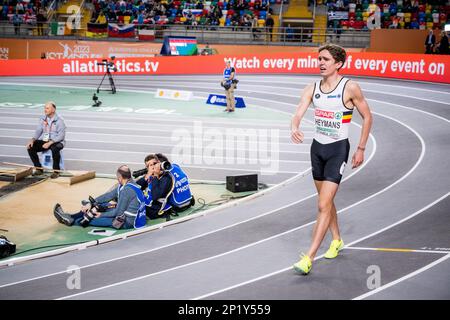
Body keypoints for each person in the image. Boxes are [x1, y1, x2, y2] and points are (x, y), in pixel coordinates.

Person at [290, 44, 373, 275]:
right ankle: (336, 239)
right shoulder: (312, 88)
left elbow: (367, 117)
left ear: (338, 63)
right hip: (317, 150)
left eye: (326, 59)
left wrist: (361, 148)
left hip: (338, 150)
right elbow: (298, 112)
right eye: (319, 59)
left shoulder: (350, 88)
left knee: (322, 205)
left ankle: (309, 258)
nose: (321, 63)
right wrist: (294, 126)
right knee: (326, 202)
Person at [53, 165, 147, 229]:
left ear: (120, 178)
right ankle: (70, 216)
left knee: (88, 219)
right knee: (98, 206)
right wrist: (92, 203)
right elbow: (109, 195)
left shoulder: (127, 190)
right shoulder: (129, 184)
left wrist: (101, 215)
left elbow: (118, 212)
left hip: (127, 222)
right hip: (129, 216)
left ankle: (72, 221)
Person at [26, 101, 66, 179]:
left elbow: (61, 136)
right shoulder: (43, 118)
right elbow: (38, 130)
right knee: (31, 147)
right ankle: (39, 169)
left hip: (57, 141)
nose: (45, 110)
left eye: (47, 108)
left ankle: (56, 171)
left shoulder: (59, 120)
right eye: (44, 108)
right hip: (45, 140)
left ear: (53, 109)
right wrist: (33, 139)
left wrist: (50, 143)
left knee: (55, 149)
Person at [135, 154, 175, 219]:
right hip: (147, 203)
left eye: (155, 163)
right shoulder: (150, 176)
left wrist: (156, 175)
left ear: (159, 163)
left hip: (155, 209)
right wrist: (146, 177)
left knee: (131, 204)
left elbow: (155, 196)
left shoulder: (166, 177)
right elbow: (135, 187)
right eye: (150, 165)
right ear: (148, 168)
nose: (153, 166)